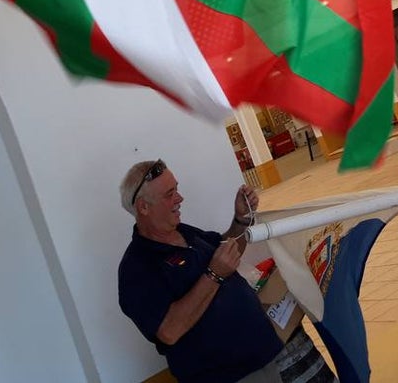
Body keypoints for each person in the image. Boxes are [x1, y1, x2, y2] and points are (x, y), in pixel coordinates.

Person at [117, 159, 283, 383]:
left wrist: (241, 220)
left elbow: (226, 250)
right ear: (143, 207)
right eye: (169, 194)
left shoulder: (184, 232)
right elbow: (169, 331)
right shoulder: (136, 268)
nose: (180, 198)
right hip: (226, 376)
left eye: (176, 189)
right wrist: (214, 275)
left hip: (262, 356)